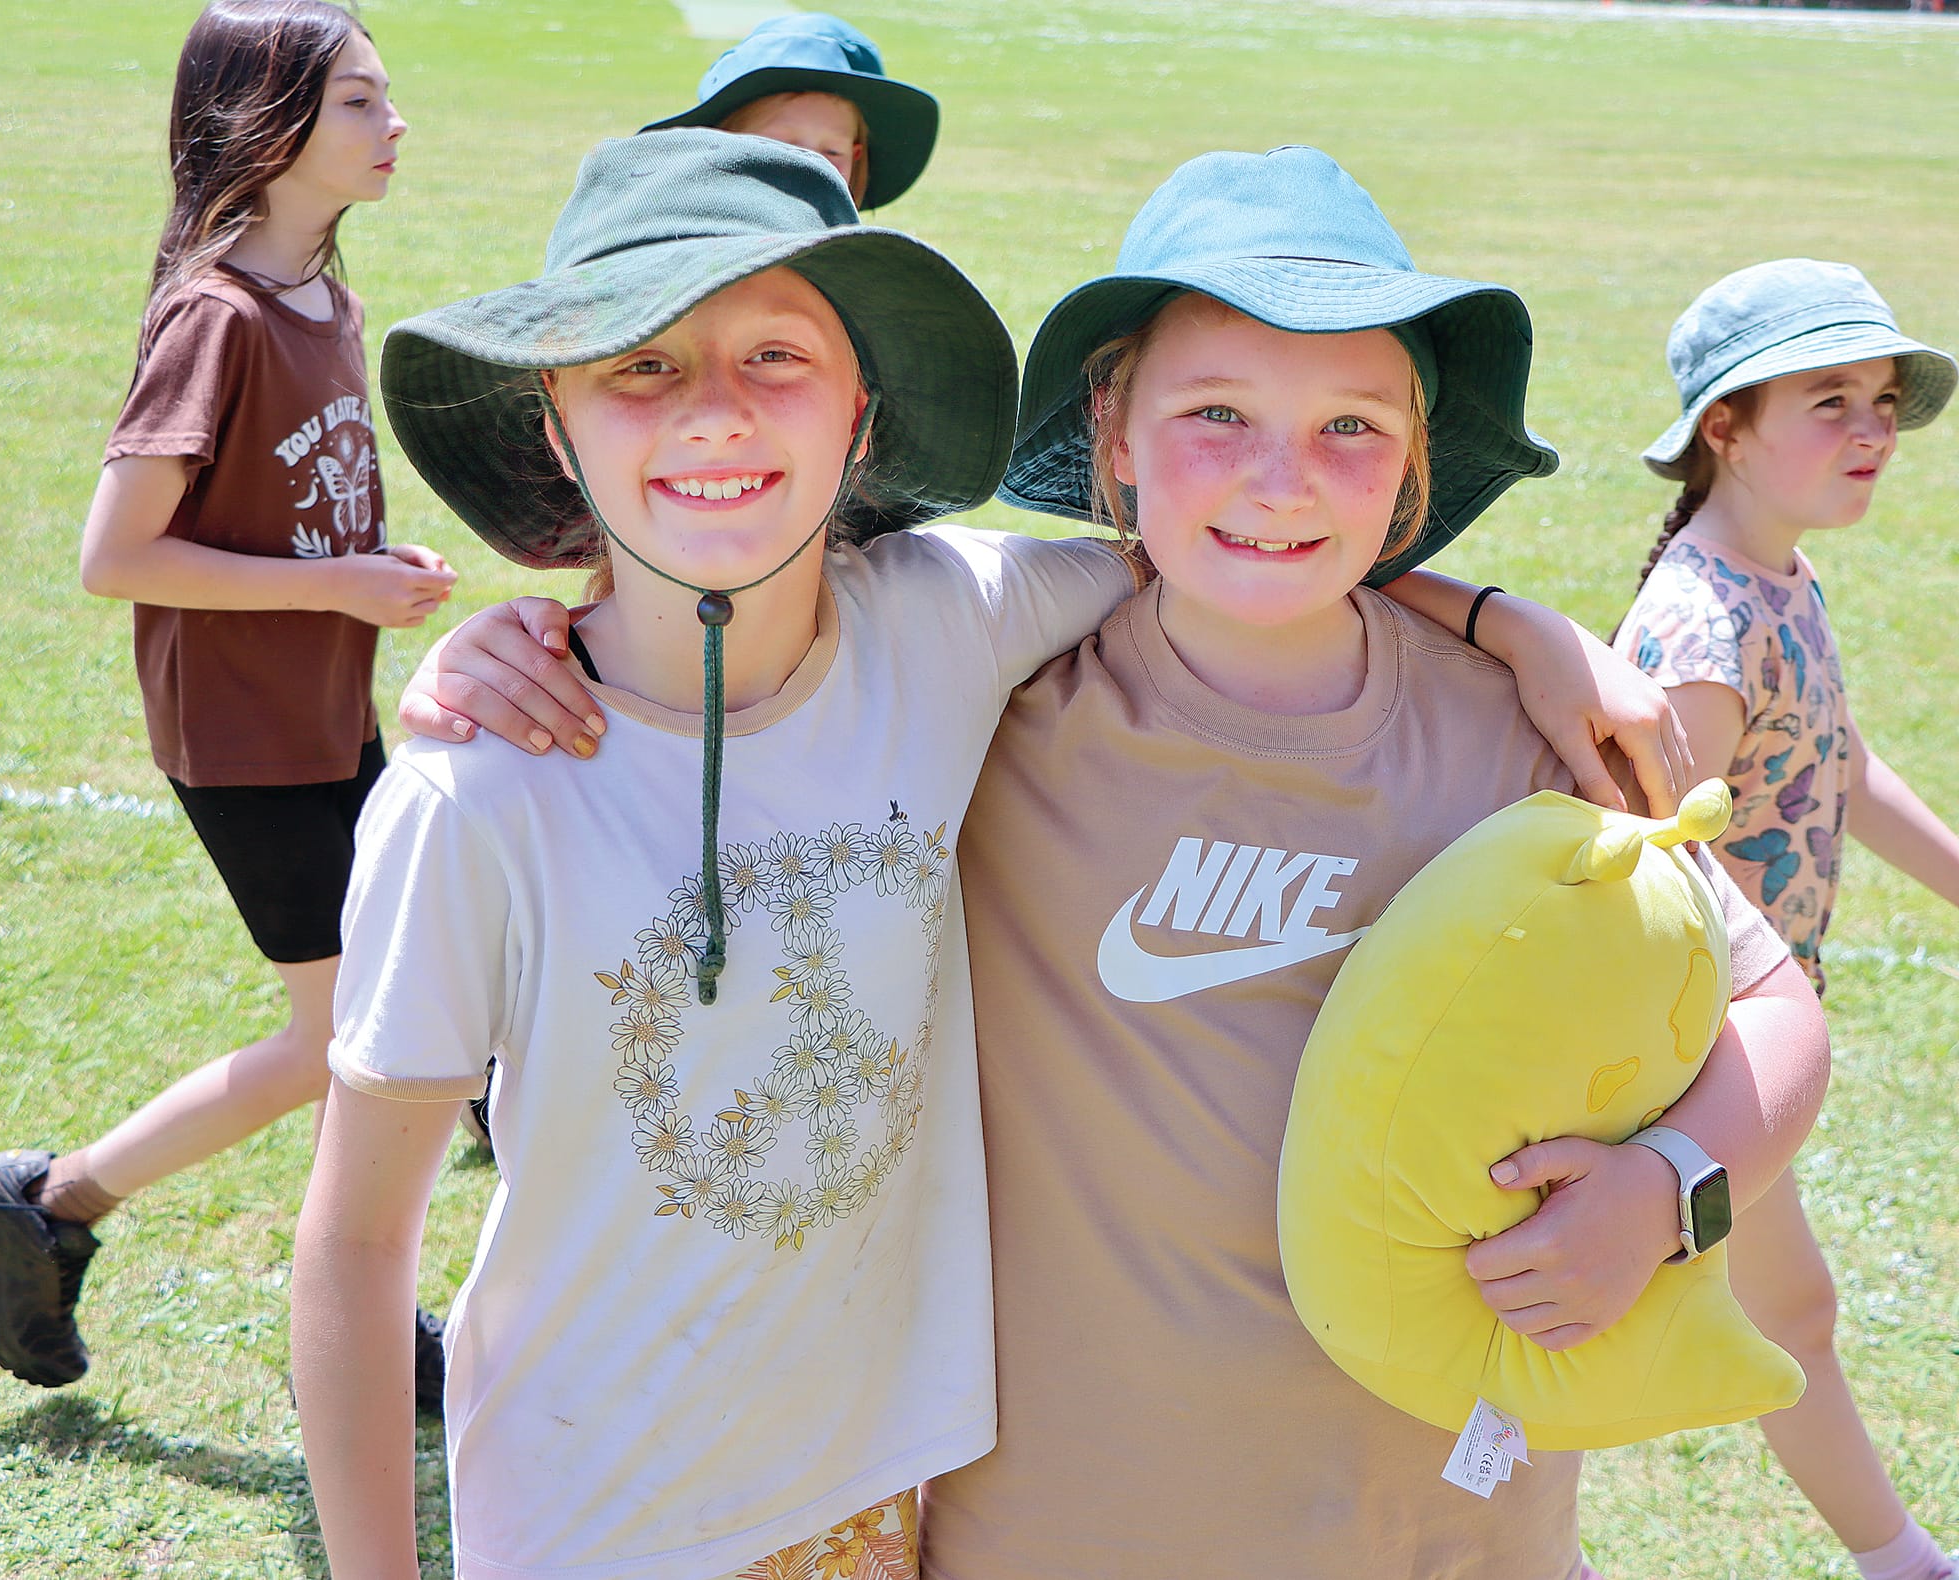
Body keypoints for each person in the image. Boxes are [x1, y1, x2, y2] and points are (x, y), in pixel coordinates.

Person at [394, 147, 1825, 1579]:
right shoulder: (990, 706)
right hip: (1060, 1530)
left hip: (1451, 1527)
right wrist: (521, 656)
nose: (1281, 478)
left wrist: (1671, 1188)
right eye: (1216, 413)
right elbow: (747, 647)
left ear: (1414, 466)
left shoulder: (1517, 731)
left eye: (1351, 428)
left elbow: (1773, 1011)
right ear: (1115, 433)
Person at [292, 127, 1137, 1580]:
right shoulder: (476, 797)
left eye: (775, 359)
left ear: (861, 414)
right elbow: (357, 1249)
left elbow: (1230, 546)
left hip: (880, 1488)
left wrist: (1516, 628)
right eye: (643, 366)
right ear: (557, 425)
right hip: (596, 1520)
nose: (714, 416)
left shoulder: (943, 621)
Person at [0, 0, 454, 1403]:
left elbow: (298, 509)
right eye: (358, 100)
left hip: (326, 718)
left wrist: (371, 569)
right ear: (263, 121)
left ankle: (44, 1209)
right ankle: (54, 1206)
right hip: (246, 740)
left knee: (391, 1024)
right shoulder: (214, 314)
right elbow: (115, 555)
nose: (392, 122)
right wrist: (339, 589)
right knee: (352, 1037)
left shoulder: (326, 299)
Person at [1614, 258, 1959, 1580]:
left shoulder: (1783, 580)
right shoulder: (1700, 631)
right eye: (1831, 400)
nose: (1873, 430)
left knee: (1731, 1310)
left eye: (1881, 400)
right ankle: (1901, 1559)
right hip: (1694, 1038)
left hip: (1748, 1031)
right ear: (1726, 431)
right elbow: (1654, 870)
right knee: (1766, 1308)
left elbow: (1845, 765)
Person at [641, 11, 939, 209]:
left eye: (833, 152)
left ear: (855, 156)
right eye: (780, 146)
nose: (810, 165)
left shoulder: (853, 269)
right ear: (723, 145)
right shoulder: (679, 243)